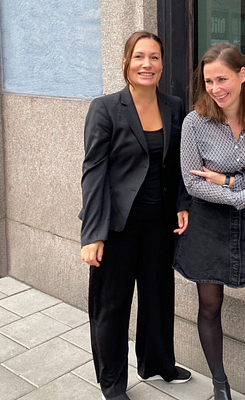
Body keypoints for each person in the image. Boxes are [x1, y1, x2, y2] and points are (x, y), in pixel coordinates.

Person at [80, 31, 192, 400]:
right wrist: (93, 234)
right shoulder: (106, 108)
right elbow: (94, 172)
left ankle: (156, 362)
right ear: (126, 62)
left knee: (158, 296)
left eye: (155, 57)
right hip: (117, 226)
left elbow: (176, 164)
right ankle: (111, 382)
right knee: (111, 305)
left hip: (159, 223)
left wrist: (180, 203)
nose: (148, 64)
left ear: (162, 63)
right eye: (140, 56)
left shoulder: (174, 106)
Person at [174, 42, 245, 400]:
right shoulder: (194, 122)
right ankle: (220, 386)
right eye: (208, 81)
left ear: (241, 75)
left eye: (221, 78)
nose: (215, 89)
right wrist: (241, 194)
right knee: (209, 307)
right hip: (208, 225)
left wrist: (226, 181)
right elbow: (192, 183)